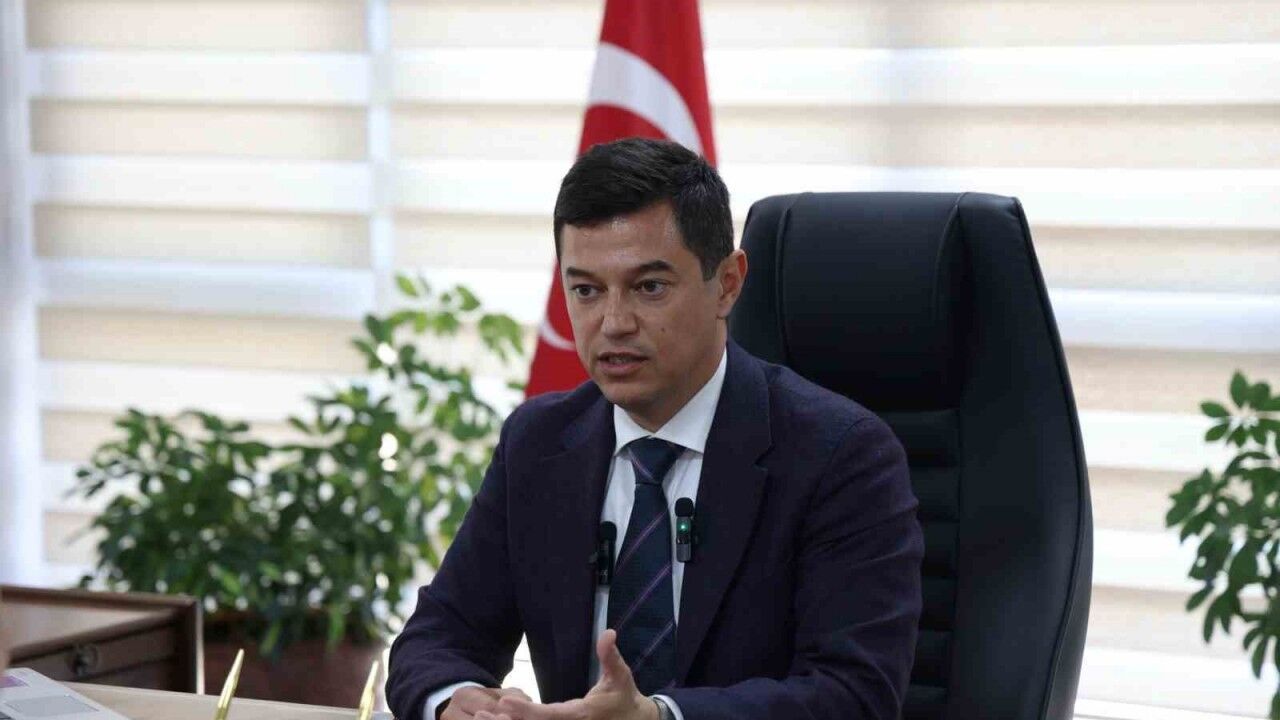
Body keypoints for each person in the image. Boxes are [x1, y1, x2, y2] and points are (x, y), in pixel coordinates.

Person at [387, 138, 923, 720]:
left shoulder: (841, 455)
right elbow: (437, 637)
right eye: (586, 290)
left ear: (727, 283)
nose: (613, 323)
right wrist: (453, 701)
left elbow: (855, 696)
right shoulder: (538, 443)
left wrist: (659, 717)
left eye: (649, 287)